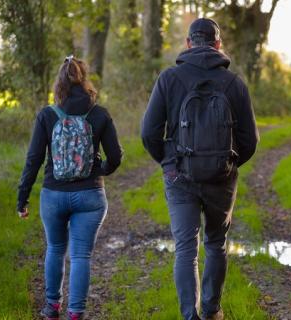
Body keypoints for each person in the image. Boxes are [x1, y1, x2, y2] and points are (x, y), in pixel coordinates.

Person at [141, 18, 258, 320]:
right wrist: (229, 164)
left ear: (189, 43)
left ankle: (188, 316)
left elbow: (149, 133)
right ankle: (211, 310)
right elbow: (250, 139)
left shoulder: (169, 79)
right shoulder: (234, 84)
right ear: (218, 45)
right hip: (222, 178)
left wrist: (170, 163)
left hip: (179, 176)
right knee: (216, 244)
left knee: (185, 249)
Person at [17, 56, 122, 320]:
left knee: (54, 248)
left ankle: (52, 306)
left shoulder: (47, 114)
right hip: (90, 196)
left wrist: (23, 198)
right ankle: (76, 312)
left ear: (59, 83)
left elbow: (33, 160)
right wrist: (100, 170)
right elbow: (116, 156)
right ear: (85, 79)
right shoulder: (99, 113)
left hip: (53, 194)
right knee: (80, 255)